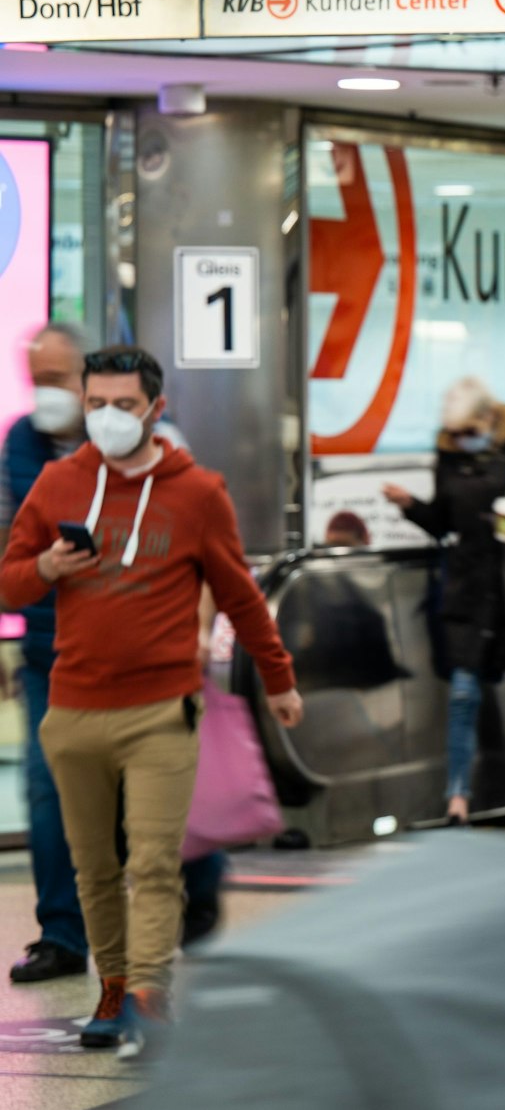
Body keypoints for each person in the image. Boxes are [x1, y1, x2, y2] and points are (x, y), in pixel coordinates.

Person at [0, 346, 302, 1057]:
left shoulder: (198, 492)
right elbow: (10, 583)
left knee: (157, 861)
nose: (107, 417)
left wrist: (279, 676)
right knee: (93, 866)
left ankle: (149, 990)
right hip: (73, 709)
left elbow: (239, 593)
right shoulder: (57, 483)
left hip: (161, 709)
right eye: (95, 403)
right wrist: (45, 566)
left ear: (156, 410)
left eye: (123, 405)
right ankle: (111, 987)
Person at [0, 326, 221, 987]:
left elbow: (207, 553)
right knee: (48, 797)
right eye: (36, 376)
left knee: (152, 813)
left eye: (60, 378)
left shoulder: (162, 446)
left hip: (151, 665)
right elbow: (8, 545)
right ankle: (63, 934)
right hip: (53, 658)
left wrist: (202, 627)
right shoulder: (20, 444)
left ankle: (200, 886)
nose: (49, 393)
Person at [383, 377, 505, 826]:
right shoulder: (448, 455)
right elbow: (443, 520)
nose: (464, 439)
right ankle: (457, 799)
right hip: (467, 588)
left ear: (488, 419)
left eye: (471, 430)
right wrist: (410, 506)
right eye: (458, 433)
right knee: (463, 695)